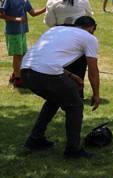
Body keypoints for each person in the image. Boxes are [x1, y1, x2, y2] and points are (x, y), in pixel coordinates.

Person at [21, 16, 101, 159]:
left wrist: (71, 76)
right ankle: (73, 150)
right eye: (93, 31)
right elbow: (93, 69)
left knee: (55, 99)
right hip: (46, 73)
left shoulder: (55, 30)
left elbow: (47, 58)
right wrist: (96, 94)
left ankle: (35, 139)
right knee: (75, 106)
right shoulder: (89, 38)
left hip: (26, 71)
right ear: (90, 28)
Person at [2, 0, 47, 88]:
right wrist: (15, 19)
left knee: (22, 54)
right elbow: (1, 14)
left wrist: (46, 8)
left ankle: (15, 75)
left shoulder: (25, 0)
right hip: (13, 32)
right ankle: (18, 78)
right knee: (17, 55)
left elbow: (33, 13)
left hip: (22, 31)